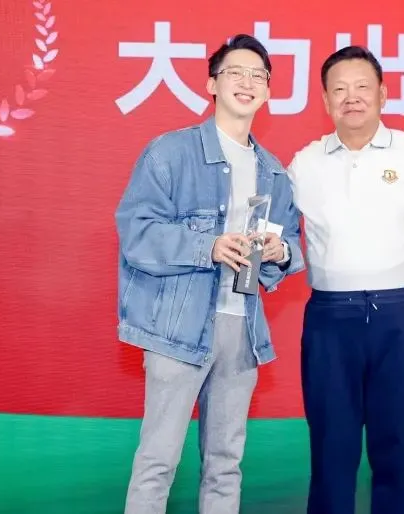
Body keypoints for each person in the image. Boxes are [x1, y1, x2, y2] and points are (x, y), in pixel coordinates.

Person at [115, 34, 304, 514]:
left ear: (268, 91)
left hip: (242, 332)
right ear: (211, 84)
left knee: (225, 464)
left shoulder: (274, 172)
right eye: (235, 72)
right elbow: (137, 233)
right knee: (158, 461)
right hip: (176, 330)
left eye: (258, 76)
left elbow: (289, 246)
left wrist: (280, 251)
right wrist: (209, 246)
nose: (247, 82)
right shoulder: (170, 153)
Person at [286, 46, 404, 514]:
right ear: (325, 100)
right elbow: (279, 232)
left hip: (401, 316)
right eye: (339, 89)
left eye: (363, 87)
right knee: (331, 450)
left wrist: (403, 279)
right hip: (331, 319)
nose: (352, 97)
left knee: (398, 448)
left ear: (383, 94)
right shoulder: (305, 163)